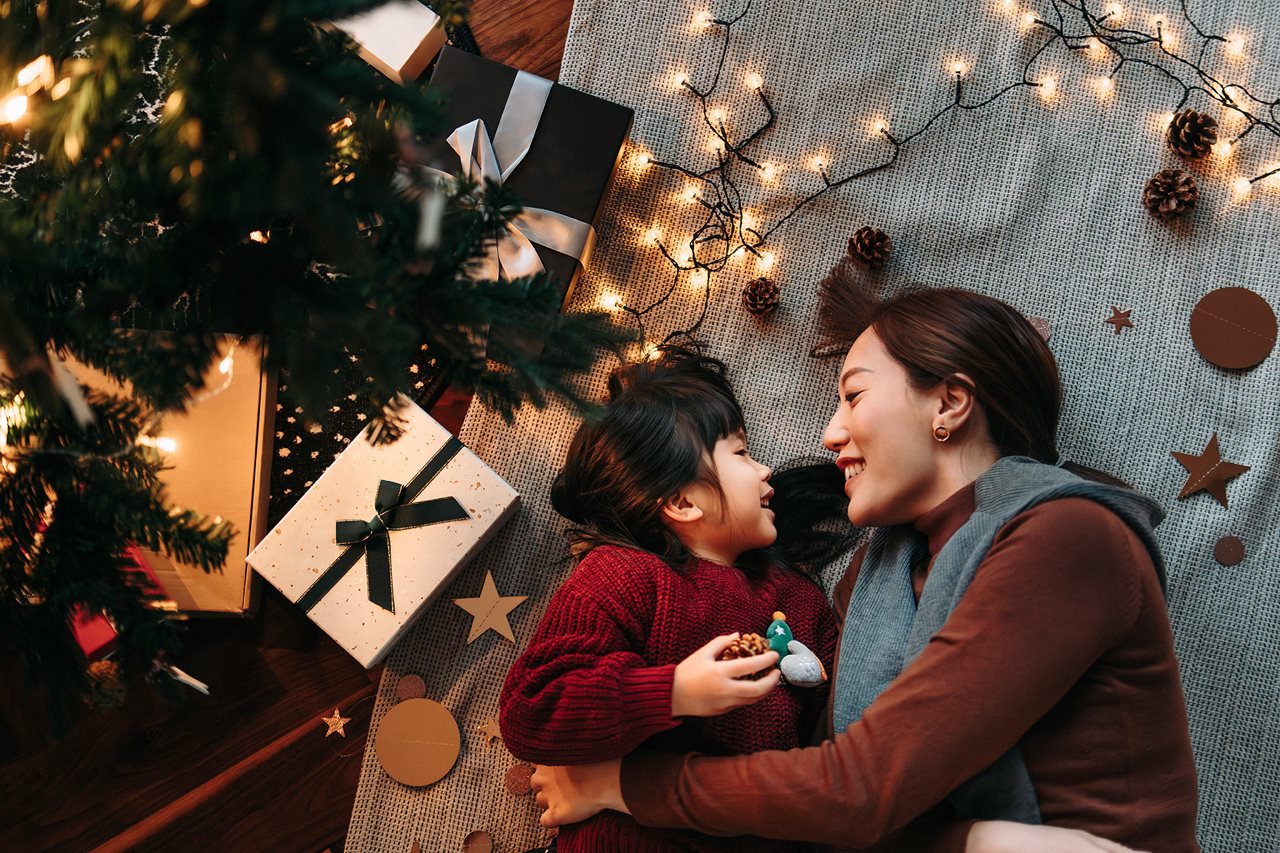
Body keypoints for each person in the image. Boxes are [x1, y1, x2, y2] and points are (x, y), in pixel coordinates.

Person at [528, 282, 1200, 852]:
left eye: (853, 395)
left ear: (949, 404)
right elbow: (823, 792)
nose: (829, 432)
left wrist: (621, 784)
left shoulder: (1065, 533)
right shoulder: (876, 572)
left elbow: (857, 788)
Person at [499, 348, 839, 852]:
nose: (766, 471)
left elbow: (835, 745)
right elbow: (531, 710)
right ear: (682, 502)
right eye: (742, 454)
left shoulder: (801, 601)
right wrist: (674, 691)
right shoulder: (624, 576)